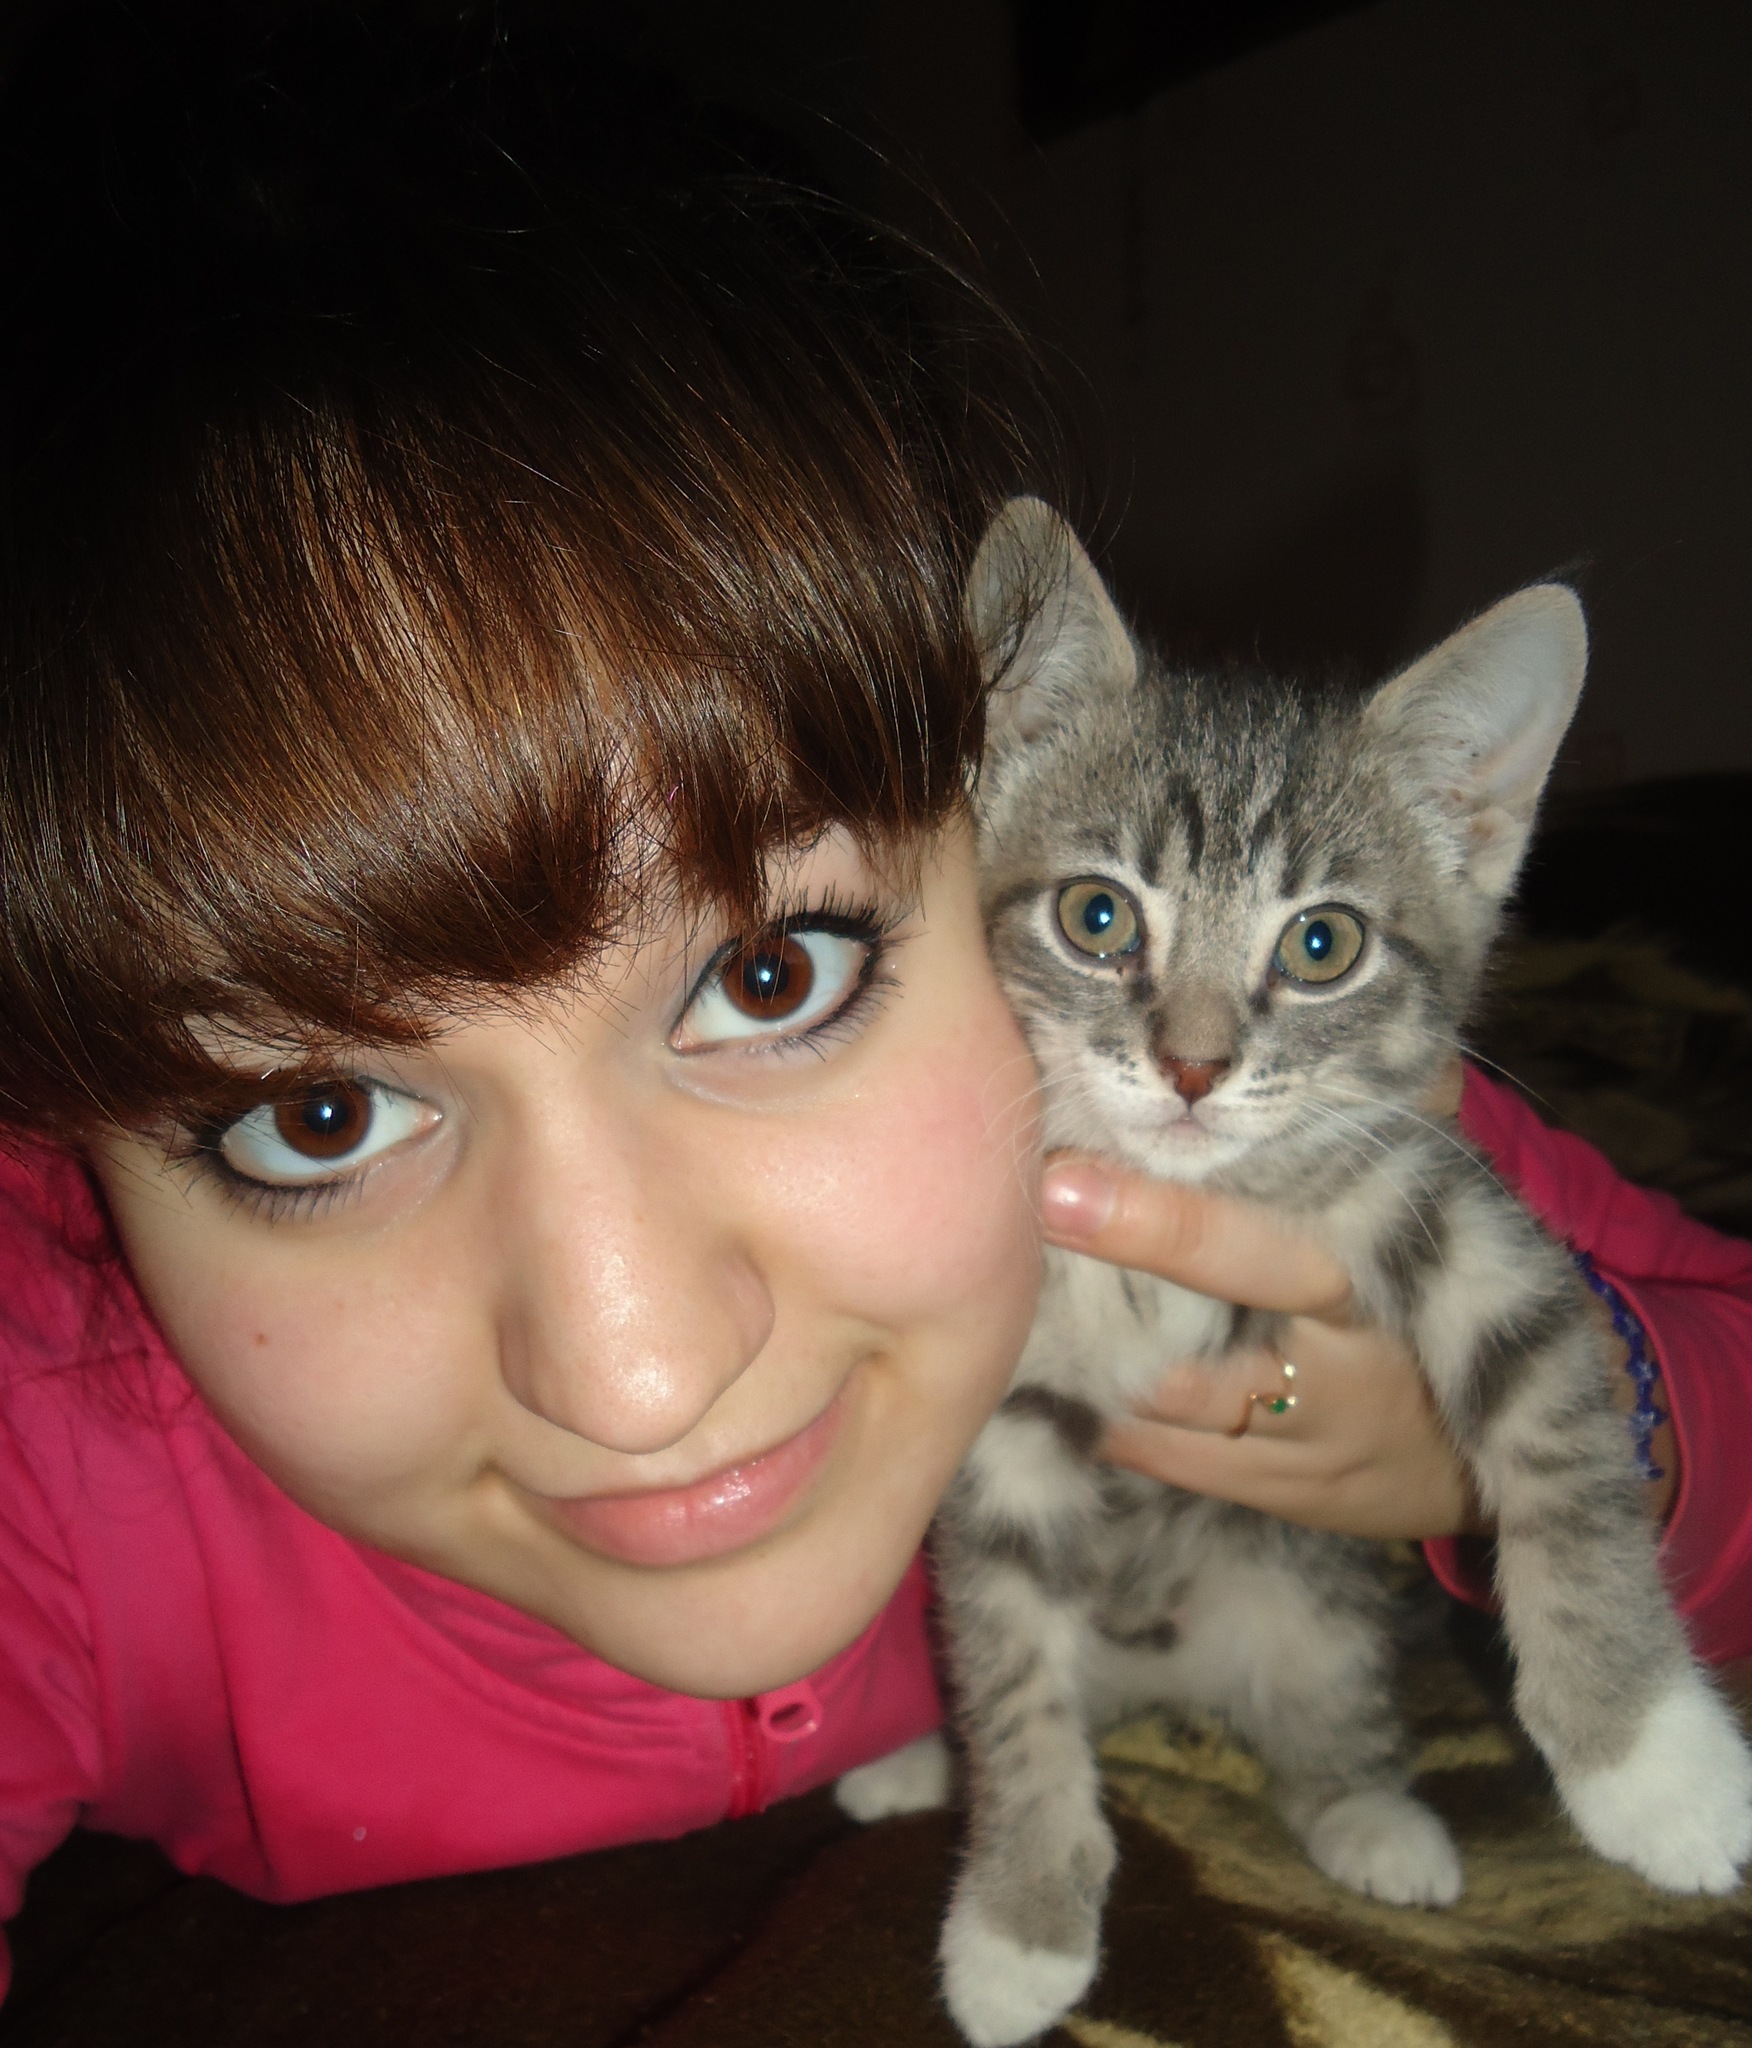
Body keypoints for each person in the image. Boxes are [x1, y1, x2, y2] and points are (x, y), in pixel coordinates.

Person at [0, 0, 1748, 2007]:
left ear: (979, 806)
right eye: (317, 1113)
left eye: (773, 970)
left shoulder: (1241, 1138)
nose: (640, 1375)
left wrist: (1529, 1443)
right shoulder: (51, 1459)